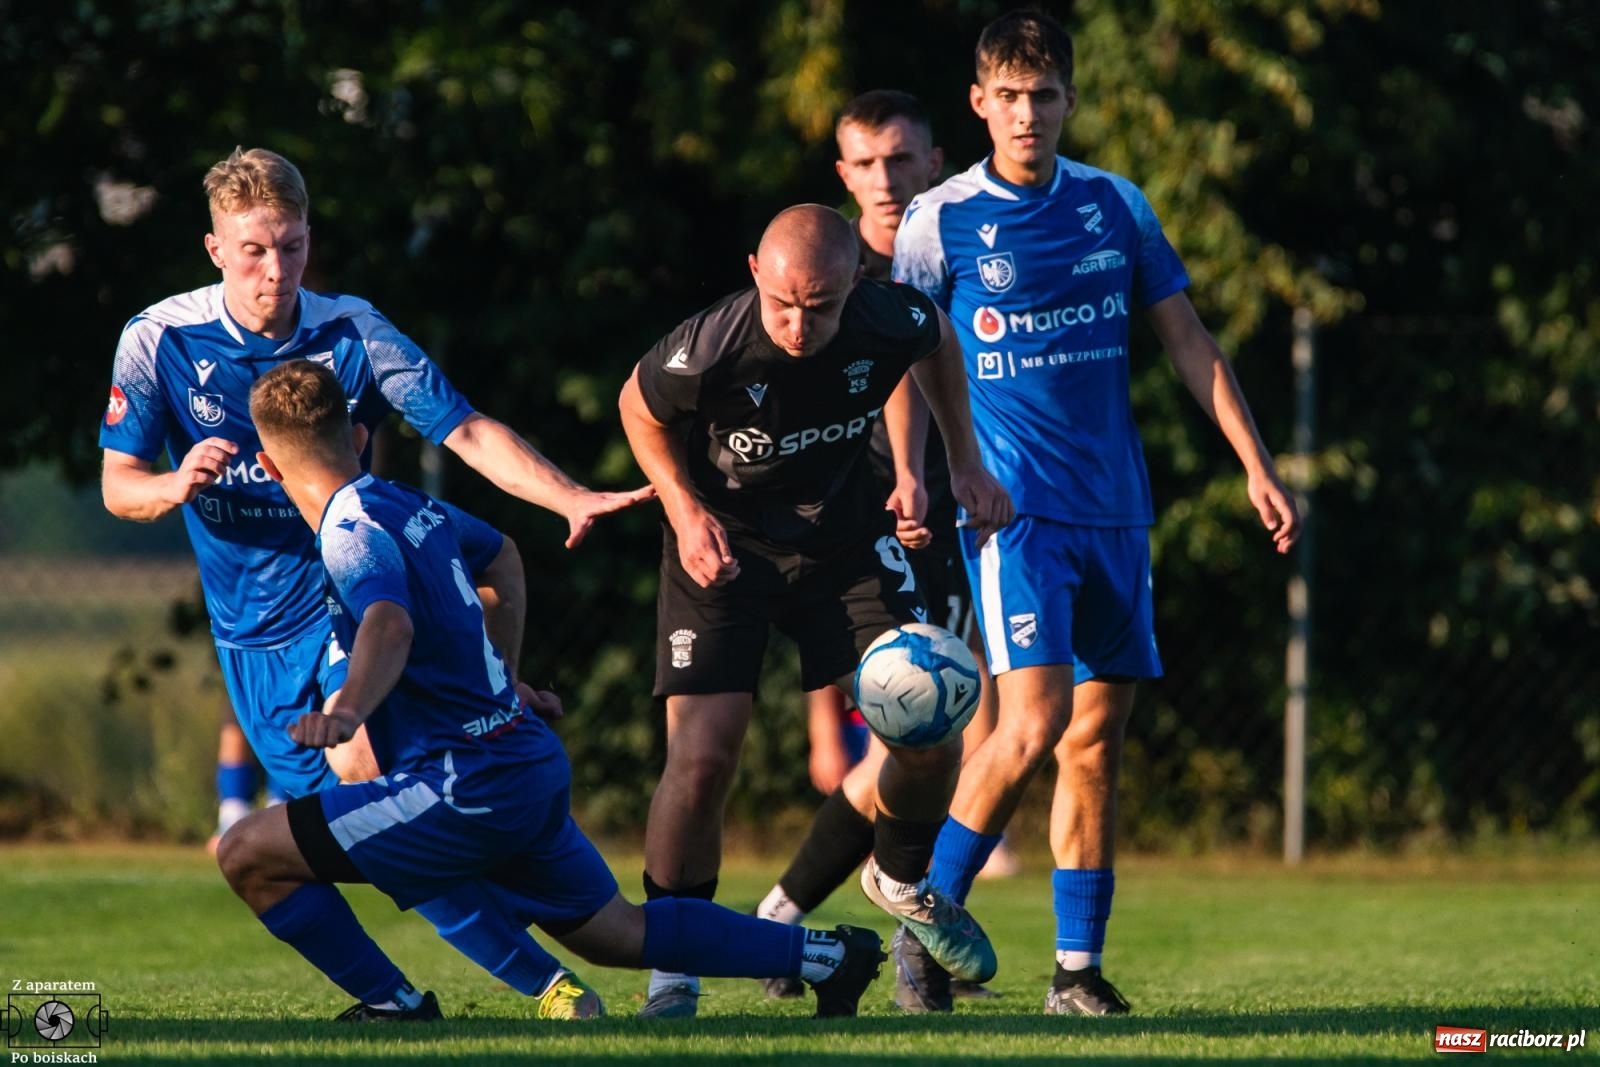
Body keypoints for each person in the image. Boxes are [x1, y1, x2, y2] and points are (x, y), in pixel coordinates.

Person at [99, 147, 652, 1019]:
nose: (275, 270)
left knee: (369, 781)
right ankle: (397, 998)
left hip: (351, 602)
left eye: (290, 246)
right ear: (215, 249)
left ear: (308, 237)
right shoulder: (158, 340)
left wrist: (566, 495)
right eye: (254, 251)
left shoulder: (353, 331)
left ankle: (552, 983)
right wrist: (172, 486)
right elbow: (118, 484)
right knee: (335, 827)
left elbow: (464, 428)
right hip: (249, 636)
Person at [215, 359, 885, 1021]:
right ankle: (828, 955)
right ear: (359, 437)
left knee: (247, 853)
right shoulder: (407, 504)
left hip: (461, 786)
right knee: (619, 933)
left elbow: (389, 622)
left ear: (269, 468)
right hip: (519, 761)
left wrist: (347, 710)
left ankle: (395, 1005)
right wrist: (504, 680)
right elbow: (501, 554)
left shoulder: (346, 532)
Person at [888, 11, 1302, 1015]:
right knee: (1031, 721)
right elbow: (904, 350)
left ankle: (1075, 971)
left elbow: (1188, 339)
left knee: (1095, 740)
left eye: (1043, 96)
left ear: (1070, 100)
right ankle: (923, 913)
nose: (1026, 114)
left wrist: (1255, 464)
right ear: (979, 103)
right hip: (1014, 512)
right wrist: (920, 471)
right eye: (1008, 97)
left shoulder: (1116, 205)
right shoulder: (939, 218)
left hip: (1116, 510)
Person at [617, 204, 1014, 1018]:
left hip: (843, 543)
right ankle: (674, 965)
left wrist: (962, 462)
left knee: (931, 726)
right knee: (703, 755)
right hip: (723, 546)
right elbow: (637, 406)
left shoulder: (887, 315)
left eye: (821, 307)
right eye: (784, 304)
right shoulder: (714, 343)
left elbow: (938, 340)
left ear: (855, 286)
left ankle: (899, 877)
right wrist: (685, 513)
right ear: (755, 273)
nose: (799, 326)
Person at [752, 91, 1014, 1005]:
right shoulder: (825, 270)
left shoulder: (960, 248)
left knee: (932, 736)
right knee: (923, 730)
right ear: (842, 173)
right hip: (868, 528)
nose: (886, 179)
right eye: (866, 163)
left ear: (936, 161)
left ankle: (788, 918)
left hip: (951, 518)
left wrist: (970, 469)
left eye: (902, 159)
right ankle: (903, 937)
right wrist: (905, 471)